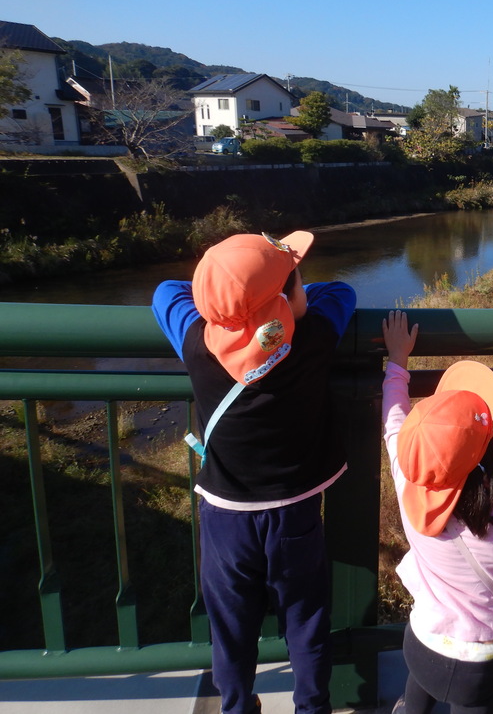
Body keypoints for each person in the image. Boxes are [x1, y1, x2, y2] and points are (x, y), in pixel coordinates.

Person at [151, 231, 356, 714]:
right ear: (286, 303)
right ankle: (312, 706)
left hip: (225, 517)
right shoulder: (315, 336)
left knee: (230, 623)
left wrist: (229, 299)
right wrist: (292, 304)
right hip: (294, 515)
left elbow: (165, 292)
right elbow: (341, 293)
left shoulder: (196, 343)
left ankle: (238, 705)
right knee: (306, 620)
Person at [381, 310, 493, 714]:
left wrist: (397, 360)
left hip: (421, 643)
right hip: (480, 661)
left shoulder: (408, 483)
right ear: (486, 449)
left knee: (415, 701)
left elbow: (392, 421)